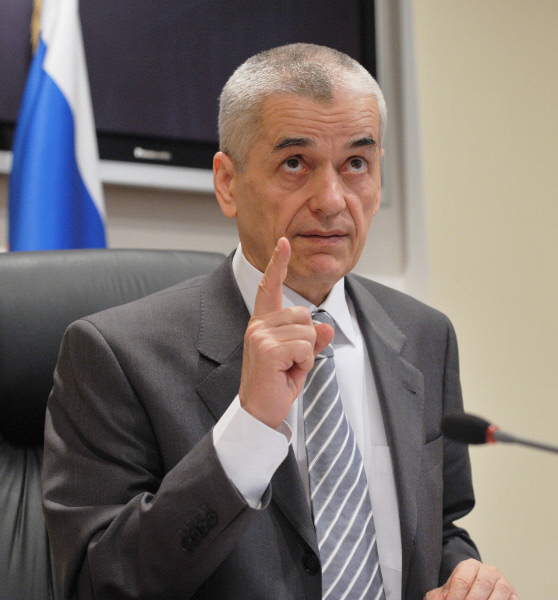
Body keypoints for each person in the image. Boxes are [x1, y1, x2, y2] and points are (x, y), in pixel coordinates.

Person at [42, 43, 517, 600]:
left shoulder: (424, 336)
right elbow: (100, 583)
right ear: (227, 182)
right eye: (295, 163)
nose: (332, 200)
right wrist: (248, 427)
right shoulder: (115, 354)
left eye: (356, 164)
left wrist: (467, 578)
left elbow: (440, 529)